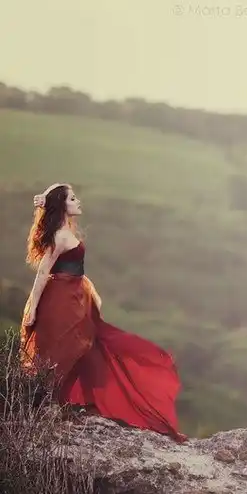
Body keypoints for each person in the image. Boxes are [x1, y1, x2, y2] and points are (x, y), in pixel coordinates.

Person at [19, 183, 187, 442]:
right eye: (72, 199)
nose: (78, 201)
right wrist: (32, 308)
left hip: (75, 297)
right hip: (62, 300)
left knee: (88, 346)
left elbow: (75, 270)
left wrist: (90, 292)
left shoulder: (66, 231)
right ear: (62, 206)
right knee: (68, 348)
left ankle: (73, 402)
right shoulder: (60, 236)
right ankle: (52, 403)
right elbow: (43, 273)